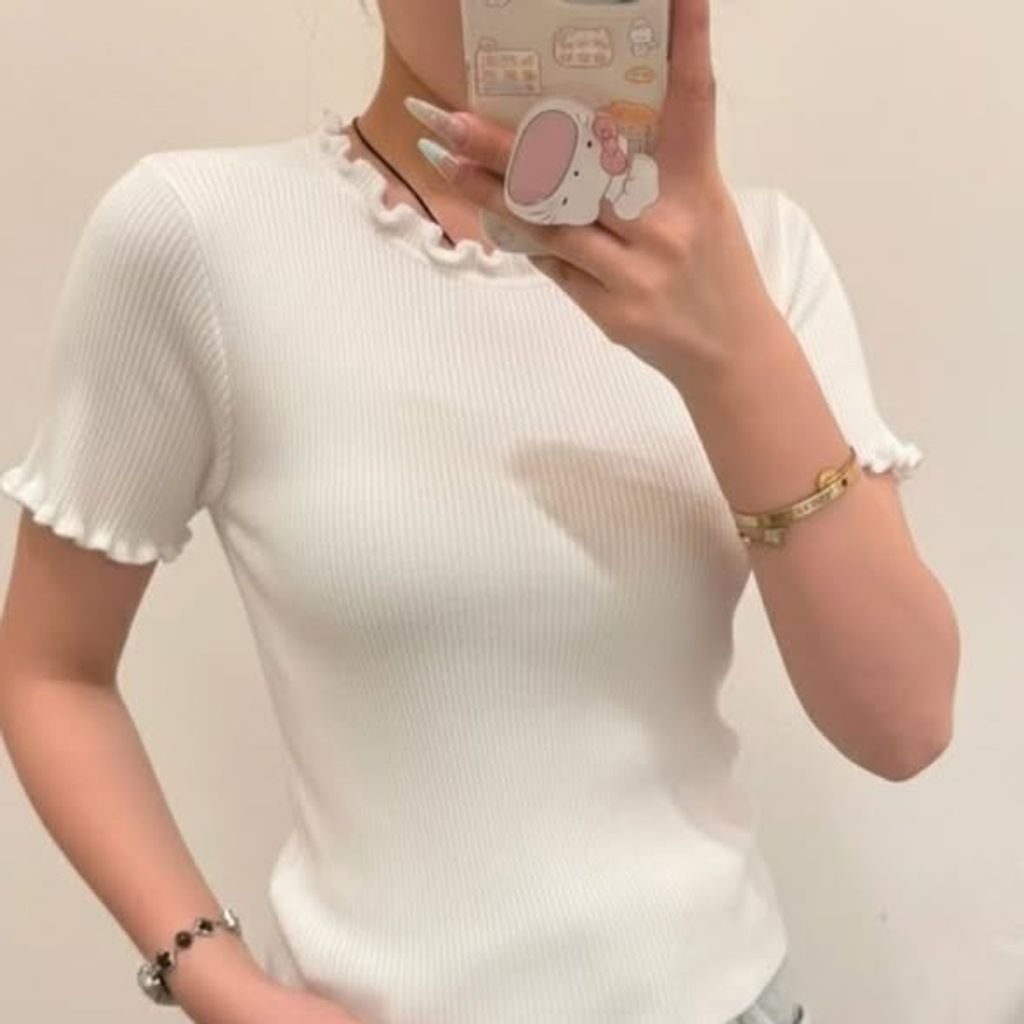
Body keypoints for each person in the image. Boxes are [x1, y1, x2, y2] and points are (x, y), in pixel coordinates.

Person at [0, 1, 960, 1023]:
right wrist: (217, 981)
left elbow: (901, 726)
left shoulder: (758, 255)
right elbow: (51, 669)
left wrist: (732, 351)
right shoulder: (201, 234)